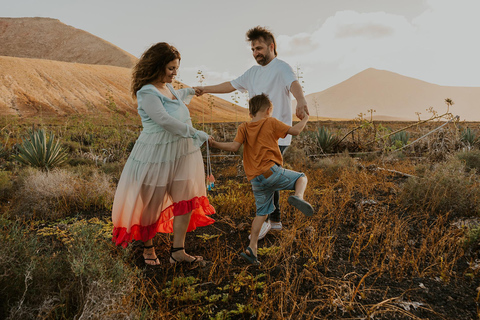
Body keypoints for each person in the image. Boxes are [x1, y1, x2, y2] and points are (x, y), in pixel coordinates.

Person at [194, 26, 309, 240]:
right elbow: (230, 85)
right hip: (256, 133)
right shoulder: (253, 73)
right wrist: (205, 89)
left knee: (268, 172)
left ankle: (271, 220)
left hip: (278, 132)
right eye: (253, 49)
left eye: (259, 48)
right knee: (266, 174)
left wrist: (301, 100)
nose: (256, 53)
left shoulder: (281, 67)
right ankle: (273, 220)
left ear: (271, 47)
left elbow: (294, 84)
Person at [111, 42, 215, 266]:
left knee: (184, 198)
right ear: (157, 66)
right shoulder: (146, 91)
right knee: (152, 202)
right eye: (171, 68)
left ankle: (178, 251)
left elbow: (174, 100)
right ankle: (148, 248)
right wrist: (195, 133)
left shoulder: (168, 88)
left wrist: (189, 91)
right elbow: (165, 120)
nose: (175, 72)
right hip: (155, 154)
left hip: (181, 153)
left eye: (176, 68)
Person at [209, 93, 313, 264]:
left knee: (262, 213)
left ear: (250, 113)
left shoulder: (244, 127)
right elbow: (295, 131)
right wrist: (306, 118)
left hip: (255, 179)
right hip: (270, 172)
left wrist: (214, 144)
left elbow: (234, 147)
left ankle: (252, 248)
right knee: (302, 178)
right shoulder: (270, 121)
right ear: (269, 110)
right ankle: (298, 196)